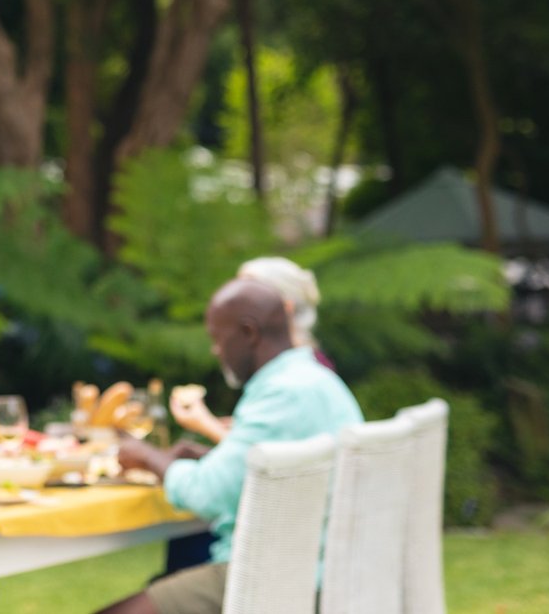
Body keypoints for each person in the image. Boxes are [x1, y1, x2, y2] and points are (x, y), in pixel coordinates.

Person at [95, 279, 363, 614]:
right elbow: (279, 471)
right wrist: (213, 458)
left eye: (217, 338)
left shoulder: (281, 393)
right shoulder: (316, 380)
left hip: (275, 576)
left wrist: (147, 457)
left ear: (249, 332)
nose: (215, 351)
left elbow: (206, 494)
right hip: (318, 567)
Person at [171, 255, 330, 445]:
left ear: (284, 308)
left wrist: (205, 424)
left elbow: (261, 456)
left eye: (249, 293)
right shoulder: (299, 366)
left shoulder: (292, 376)